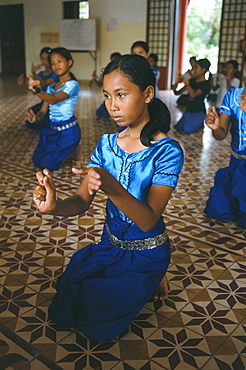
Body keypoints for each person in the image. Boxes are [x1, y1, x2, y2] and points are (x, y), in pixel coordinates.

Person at [32, 54, 184, 342]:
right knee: (68, 297)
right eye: (106, 96)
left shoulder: (167, 151)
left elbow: (149, 218)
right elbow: (81, 200)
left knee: (97, 325)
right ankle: (146, 280)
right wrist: (53, 206)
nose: (111, 105)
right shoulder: (106, 145)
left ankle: (155, 272)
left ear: (148, 94)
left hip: (146, 252)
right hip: (110, 243)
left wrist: (111, 186)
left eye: (121, 95)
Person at [26, 47, 81, 172]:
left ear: (69, 62)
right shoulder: (51, 87)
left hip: (69, 133)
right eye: (53, 63)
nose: (56, 65)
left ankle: (74, 149)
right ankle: (67, 151)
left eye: (59, 61)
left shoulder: (72, 85)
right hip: (53, 132)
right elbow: (43, 112)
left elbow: (53, 100)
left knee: (47, 164)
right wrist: (35, 119)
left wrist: (36, 90)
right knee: (37, 161)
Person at [204, 87, 246, 228]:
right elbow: (221, 135)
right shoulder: (233, 95)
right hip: (237, 161)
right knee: (221, 208)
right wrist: (215, 127)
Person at [18, 47, 60, 131]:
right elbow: (33, 88)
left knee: (46, 121)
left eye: (47, 58)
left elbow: (43, 83)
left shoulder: (55, 74)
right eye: (42, 58)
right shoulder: (41, 73)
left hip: (53, 103)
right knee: (31, 112)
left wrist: (34, 73)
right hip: (44, 103)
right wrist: (22, 83)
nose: (44, 61)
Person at [174, 58, 211, 134]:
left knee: (187, 129)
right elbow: (177, 92)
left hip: (198, 111)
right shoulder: (192, 81)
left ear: (203, 70)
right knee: (179, 128)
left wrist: (187, 85)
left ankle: (200, 123)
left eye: (196, 68)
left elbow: (193, 95)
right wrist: (177, 83)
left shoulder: (206, 84)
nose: (194, 70)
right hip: (189, 110)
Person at [93, 52, 122, 119]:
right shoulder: (109, 72)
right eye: (112, 61)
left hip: (120, 101)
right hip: (111, 100)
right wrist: (95, 79)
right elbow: (100, 85)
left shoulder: (124, 74)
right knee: (99, 113)